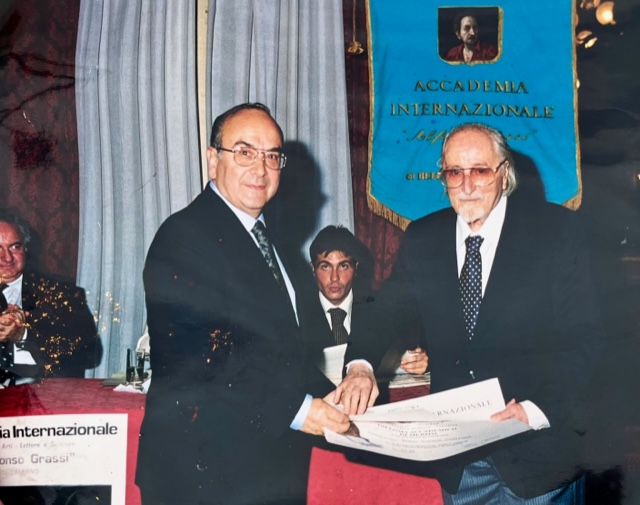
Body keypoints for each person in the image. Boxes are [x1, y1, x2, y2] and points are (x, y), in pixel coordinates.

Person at [136, 103, 368, 505]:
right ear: (213, 160)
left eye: (272, 156)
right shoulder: (184, 237)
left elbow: (281, 354)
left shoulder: (268, 239)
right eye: (245, 152)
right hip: (203, 473)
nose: (260, 169)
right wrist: (300, 410)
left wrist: (334, 397)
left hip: (267, 467)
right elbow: (206, 358)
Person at [381, 123, 605, 503]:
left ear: (504, 173)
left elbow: (586, 339)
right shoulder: (423, 236)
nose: (467, 185)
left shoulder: (557, 231)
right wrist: (363, 364)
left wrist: (534, 410)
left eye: (480, 170)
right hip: (463, 464)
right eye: (455, 172)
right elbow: (391, 310)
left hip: (541, 454)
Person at [302, 225, 427, 387]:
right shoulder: (297, 312)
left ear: (356, 268)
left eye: (343, 266)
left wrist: (422, 359)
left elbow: (414, 345)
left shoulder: (382, 306)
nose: (334, 277)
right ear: (313, 269)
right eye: (325, 266)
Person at [0, 209, 100, 382]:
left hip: (39, 393)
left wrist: (23, 336)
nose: (7, 258)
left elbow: (90, 354)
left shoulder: (60, 292)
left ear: (26, 248)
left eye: (15, 247)